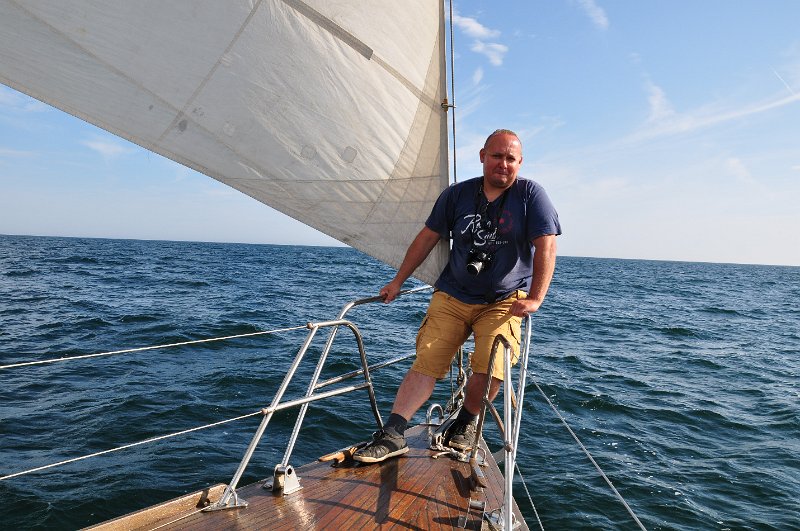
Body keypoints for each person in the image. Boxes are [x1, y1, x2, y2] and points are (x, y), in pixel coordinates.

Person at [353, 129, 561, 463]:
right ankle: (393, 433)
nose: (503, 164)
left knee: (493, 364)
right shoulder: (457, 195)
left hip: (503, 300)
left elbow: (546, 245)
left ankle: (465, 422)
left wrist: (536, 298)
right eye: (497, 156)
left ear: (520, 163)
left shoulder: (531, 196)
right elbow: (427, 237)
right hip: (452, 295)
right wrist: (397, 281)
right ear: (482, 156)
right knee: (427, 361)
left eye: (511, 158)